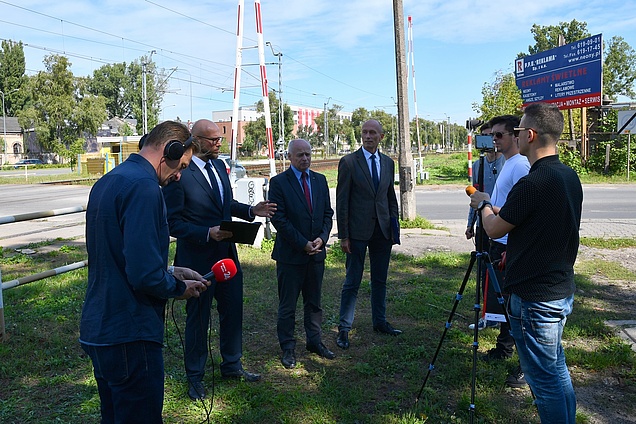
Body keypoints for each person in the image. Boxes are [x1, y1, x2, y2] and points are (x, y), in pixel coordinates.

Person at [80, 120, 210, 423]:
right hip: (131, 333)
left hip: (102, 329)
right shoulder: (146, 188)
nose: (179, 176)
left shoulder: (110, 181)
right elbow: (143, 275)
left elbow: (120, 256)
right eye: (182, 165)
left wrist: (173, 270)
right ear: (170, 150)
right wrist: (180, 289)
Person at [470, 102, 582, 423]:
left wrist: (483, 202)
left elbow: (493, 227)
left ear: (530, 135)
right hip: (557, 288)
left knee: (544, 383)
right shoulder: (568, 175)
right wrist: (515, 252)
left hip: (536, 298)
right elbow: (547, 228)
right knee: (556, 372)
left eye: (517, 130)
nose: (514, 136)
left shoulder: (533, 182)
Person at [162, 119, 276, 400]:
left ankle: (232, 364)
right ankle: (195, 377)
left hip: (227, 257)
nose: (217, 144)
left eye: (219, 140)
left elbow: (224, 205)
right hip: (196, 261)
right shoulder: (181, 174)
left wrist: (251, 209)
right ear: (196, 140)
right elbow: (172, 222)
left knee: (232, 310)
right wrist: (205, 233)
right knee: (198, 319)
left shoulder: (217, 166)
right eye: (213, 140)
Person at [268, 138, 335, 368]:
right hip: (290, 256)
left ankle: (314, 341)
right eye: (300, 155)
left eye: (308, 154)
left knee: (314, 303)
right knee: (288, 305)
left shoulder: (320, 180)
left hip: (316, 254)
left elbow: (327, 213)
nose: (305, 158)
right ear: (289, 157)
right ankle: (288, 347)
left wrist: (322, 239)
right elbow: (279, 219)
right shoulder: (278, 183)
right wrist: (302, 243)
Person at [335, 119, 400, 350]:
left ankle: (380, 322)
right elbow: (342, 201)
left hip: (382, 231)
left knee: (380, 279)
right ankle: (344, 328)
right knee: (352, 281)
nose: (368, 136)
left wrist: (394, 228)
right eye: (364, 132)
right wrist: (344, 235)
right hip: (357, 232)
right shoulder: (349, 162)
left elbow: (390, 197)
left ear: (382, 136)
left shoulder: (387, 163)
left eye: (373, 132)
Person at [466, 122, 506, 331]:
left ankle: (502, 315)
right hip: (483, 226)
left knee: (499, 272)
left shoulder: (507, 163)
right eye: (483, 136)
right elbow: (475, 195)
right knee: (483, 272)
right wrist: (470, 223)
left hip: (501, 224)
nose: (489, 141)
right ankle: (487, 314)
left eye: (492, 136)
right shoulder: (479, 165)